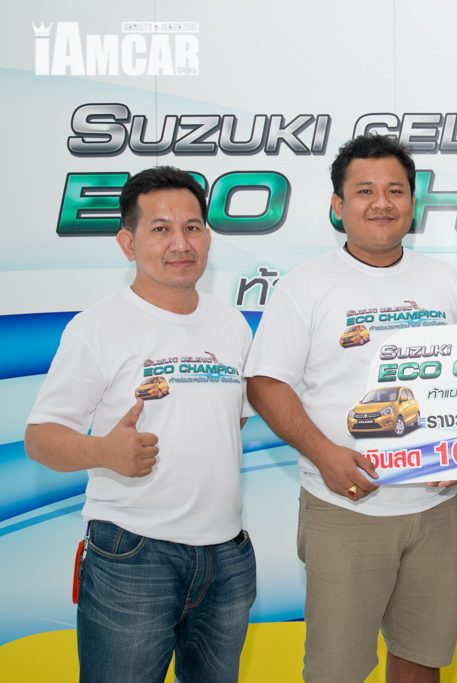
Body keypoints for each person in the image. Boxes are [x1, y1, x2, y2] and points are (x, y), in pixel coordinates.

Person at [244, 134, 457, 683]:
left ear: (413, 203)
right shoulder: (305, 286)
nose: (382, 203)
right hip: (346, 507)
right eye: (365, 191)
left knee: (422, 658)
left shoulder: (446, 283)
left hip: (437, 507)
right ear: (338, 205)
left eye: (395, 190)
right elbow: (265, 383)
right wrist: (324, 454)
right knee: (337, 669)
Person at [24, 166, 257, 683]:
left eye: (192, 227)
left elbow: (230, 422)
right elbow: (39, 438)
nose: (181, 243)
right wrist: (104, 452)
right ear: (128, 243)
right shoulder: (96, 329)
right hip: (133, 556)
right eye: (161, 229)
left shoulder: (232, 323)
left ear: (208, 236)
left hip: (227, 556)